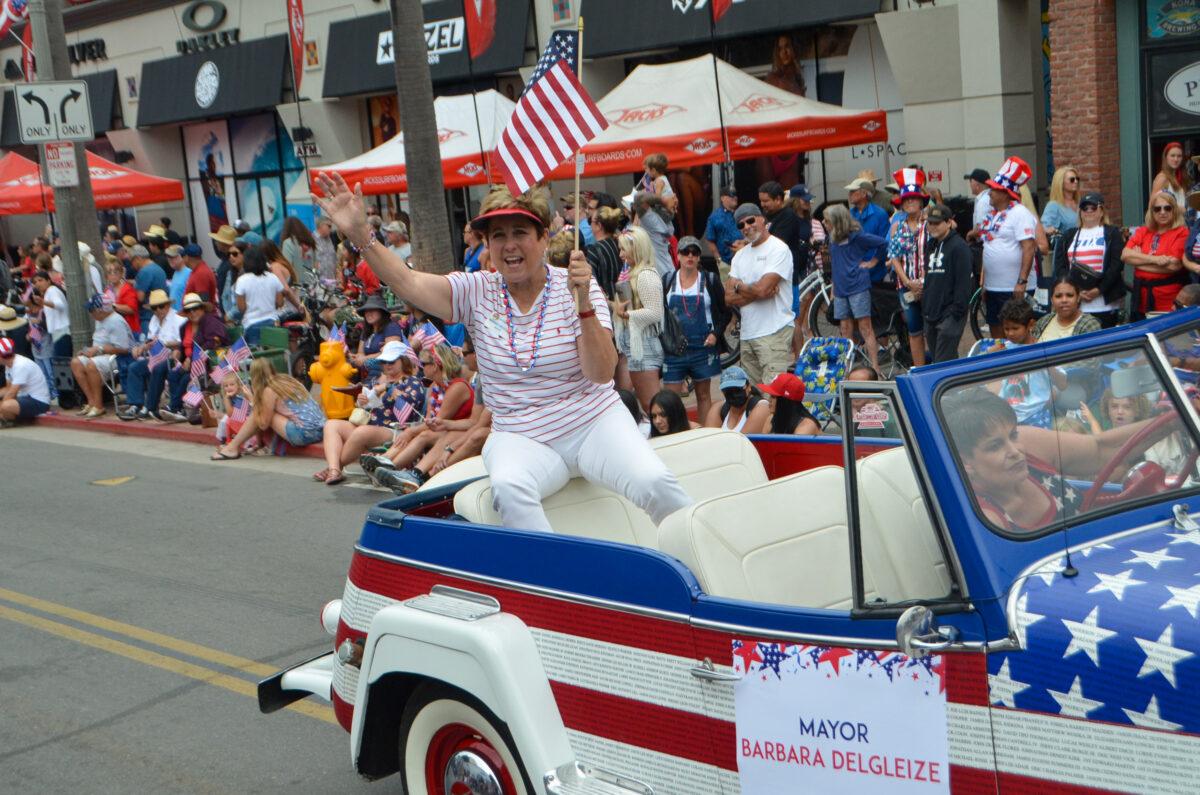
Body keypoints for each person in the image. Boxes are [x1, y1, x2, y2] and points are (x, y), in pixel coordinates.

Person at [314, 171, 692, 533]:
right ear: (489, 246)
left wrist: (584, 306)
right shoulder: (477, 289)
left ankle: (708, 573)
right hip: (519, 435)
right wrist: (362, 234)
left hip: (592, 423)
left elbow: (601, 373)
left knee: (655, 481)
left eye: (520, 232)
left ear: (544, 238)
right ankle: (560, 589)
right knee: (510, 490)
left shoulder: (577, 283)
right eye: (498, 235)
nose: (509, 244)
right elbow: (407, 281)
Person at [944, 387, 1156, 532]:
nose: (1016, 450)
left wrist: (1173, 421)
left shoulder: (1027, 444)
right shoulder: (986, 520)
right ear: (965, 462)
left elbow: (1101, 448)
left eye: (1013, 435)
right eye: (995, 446)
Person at [373, 342, 475, 491]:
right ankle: (385, 465)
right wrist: (413, 431)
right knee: (419, 433)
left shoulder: (457, 387)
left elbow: (438, 420)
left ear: (435, 366)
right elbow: (430, 418)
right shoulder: (435, 386)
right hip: (444, 430)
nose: (421, 367)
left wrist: (412, 431)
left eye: (424, 363)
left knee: (422, 434)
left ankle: (393, 468)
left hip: (455, 432)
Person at [317, 340, 418, 486]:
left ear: (403, 361)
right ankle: (334, 469)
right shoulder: (377, 380)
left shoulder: (411, 381)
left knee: (361, 432)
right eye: (384, 361)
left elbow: (412, 406)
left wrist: (390, 389)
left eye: (392, 361)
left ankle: (334, 468)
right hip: (370, 424)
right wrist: (361, 400)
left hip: (395, 429)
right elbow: (364, 405)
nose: (387, 365)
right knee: (331, 425)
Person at [661, 235, 729, 423]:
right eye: (685, 252)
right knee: (670, 399)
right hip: (674, 350)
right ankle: (675, 435)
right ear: (678, 256)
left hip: (703, 347)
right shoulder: (667, 280)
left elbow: (726, 312)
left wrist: (716, 334)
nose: (690, 256)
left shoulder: (710, 280)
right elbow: (659, 314)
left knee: (704, 395)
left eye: (695, 252)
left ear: (699, 257)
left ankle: (705, 432)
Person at [725, 203, 795, 385]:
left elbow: (763, 289)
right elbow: (728, 297)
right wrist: (757, 291)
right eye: (741, 225)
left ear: (762, 219)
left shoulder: (779, 249)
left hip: (775, 331)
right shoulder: (740, 256)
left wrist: (740, 286)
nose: (746, 227)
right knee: (754, 398)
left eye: (750, 220)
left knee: (773, 395)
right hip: (747, 334)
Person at [969, 156, 1038, 340]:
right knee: (996, 332)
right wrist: (984, 283)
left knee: (1017, 333)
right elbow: (988, 248)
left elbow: (1029, 247)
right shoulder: (992, 216)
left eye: (994, 189)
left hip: (1013, 288)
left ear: (1006, 193)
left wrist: (1021, 282)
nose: (989, 192)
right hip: (993, 287)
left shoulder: (1020, 213)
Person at [212, 358, 326, 460]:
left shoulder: (269, 390)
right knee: (266, 410)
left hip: (304, 433)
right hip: (321, 429)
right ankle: (254, 445)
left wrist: (253, 400)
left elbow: (262, 424)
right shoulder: (287, 379)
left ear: (255, 375)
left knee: (259, 412)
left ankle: (232, 447)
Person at [1054, 191, 1127, 328]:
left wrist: (1098, 290)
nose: (1088, 211)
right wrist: (1075, 292)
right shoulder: (1069, 235)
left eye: (1093, 207)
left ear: (1101, 211)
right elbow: (1061, 268)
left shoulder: (1112, 233)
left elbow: (1116, 265)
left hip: (1105, 303)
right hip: (1077, 304)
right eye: (1084, 208)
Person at [823, 204, 883, 371]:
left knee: (865, 327)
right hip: (841, 288)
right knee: (844, 329)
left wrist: (873, 262)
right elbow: (835, 265)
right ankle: (846, 368)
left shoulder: (857, 237)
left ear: (836, 222)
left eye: (827, 220)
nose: (824, 223)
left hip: (858, 286)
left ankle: (875, 367)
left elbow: (882, 243)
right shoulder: (832, 238)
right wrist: (833, 290)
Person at [613, 226, 665, 411]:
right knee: (648, 406)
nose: (620, 254)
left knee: (653, 407)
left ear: (636, 249)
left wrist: (626, 314)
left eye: (623, 249)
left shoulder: (645, 275)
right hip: (636, 346)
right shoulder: (633, 273)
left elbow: (655, 312)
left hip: (645, 347)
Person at [118, 289, 188, 422]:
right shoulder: (153, 321)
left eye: (161, 306)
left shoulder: (179, 320)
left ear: (168, 305)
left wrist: (167, 344)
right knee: (134, 367)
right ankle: (135, 405)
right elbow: (150, 341)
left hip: (173, 357)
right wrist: (143, 347)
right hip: (156, 357)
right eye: (154, 308)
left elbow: (184, 343)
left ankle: (150, 407)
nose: (158, 310)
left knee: (158, 368)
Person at [886, 167, 931, 367]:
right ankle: (920, 369)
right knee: (914, 328)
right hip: (906, 285)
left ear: (922, 201)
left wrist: (924, 283)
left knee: (932, 327)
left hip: (930, 284)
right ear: (902, 204)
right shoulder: (897, 226)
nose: (910, 202)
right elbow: (894, 257)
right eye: (907, 199)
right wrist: (907, 282)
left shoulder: (931, 223)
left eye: (914, 198)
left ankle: (936, 367)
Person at [1123, 191, 1188, 318]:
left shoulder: (1181, 232)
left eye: (1167, 208)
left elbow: (1174, 266)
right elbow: (1125, 255)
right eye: (1157, 209)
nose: (1162, 212)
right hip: (1140, 299)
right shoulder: (1143, 231)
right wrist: (1156, 260)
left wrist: (1138, 262)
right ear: (1152, 212)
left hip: (1167, 301)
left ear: (1174, 210)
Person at [921, 204, 973, 363]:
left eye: (937, 223)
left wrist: (956, 312)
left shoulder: (959, 247)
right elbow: (930, 277)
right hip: (931, 312)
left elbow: (964, 283)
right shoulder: (930, 244)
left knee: (944, 362)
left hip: (951, 313)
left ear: (949, 222)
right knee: (939, 360)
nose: (933, 226)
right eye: (930, 223)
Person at [69, 293, 133, 419]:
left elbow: (123, 348)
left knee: (92, 364)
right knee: (76, 362)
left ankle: (98, 405)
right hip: (101, 354)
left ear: (100, 310)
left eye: (92, 309)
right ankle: (91, 401)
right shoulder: (100, 319)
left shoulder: (115, 321)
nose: (90, 312)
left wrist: (99, 349)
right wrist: (89, 351)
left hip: (118, 358)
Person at [234, 245, 285, 345]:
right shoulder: (273, 277)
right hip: (272, 323)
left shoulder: (242, 280)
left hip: (251, 325)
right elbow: (280, 302)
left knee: (257, 358)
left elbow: (241, 308)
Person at [846, 177, 889, 286]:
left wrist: (873, 261)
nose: (849, 194)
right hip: (853, 272)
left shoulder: (880, 214)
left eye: (852, 191)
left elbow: (885, 243)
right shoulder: (849, 214)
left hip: (875, 273)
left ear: (864, 194)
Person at [1034, 274, 1102, 341]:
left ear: (1078, 298)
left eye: (1070, 295)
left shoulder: (1090, 325)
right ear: (1051, 300)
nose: (1064, 300)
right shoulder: (1043, 321)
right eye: (1058, 296)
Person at [704, 365, 769, 434]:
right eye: (728, 390)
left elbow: (743, 442)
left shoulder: (762, 407)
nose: (733, 394)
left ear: (748, 387)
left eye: (737, 389)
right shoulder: (718, 409)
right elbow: (709, 439)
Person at [0, 337, 50, 426]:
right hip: (25, 398)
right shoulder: (9, 364)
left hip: (38, 402)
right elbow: (8, 388)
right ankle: (7, 418)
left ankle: (9, 420)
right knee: (5, 404)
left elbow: (11, 393)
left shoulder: (20, 365)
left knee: (5, 406)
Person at [352, 294, 404, 375]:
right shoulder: (366, 329)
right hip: (366, 371)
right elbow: (360, 352)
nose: (368, 314)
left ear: (382, 312)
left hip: (385, 371)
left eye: (372, 310)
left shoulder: (391, 327)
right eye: (366, 311)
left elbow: (392, 353)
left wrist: (365, 359)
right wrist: (358, 357)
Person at [630, 191, 675, 278]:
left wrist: (665, 202)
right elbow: (639, 199)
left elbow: (640, 199)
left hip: (667, 276)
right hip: (659, 277)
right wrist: (664, 201)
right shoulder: (651, 220)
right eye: (673, 202)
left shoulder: (666, 222)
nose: (674, 205)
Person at [585, 206, 624, 300]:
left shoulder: (594, 250)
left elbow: (591, 281)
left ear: (599, 225)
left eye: (591, 221)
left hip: (606, 303)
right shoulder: (620, 244)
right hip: (623, 297)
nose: (590, 225)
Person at [704, 187, 742, 272]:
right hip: (726, 262)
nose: (734, 197)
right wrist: (719, 261)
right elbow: (710, 240)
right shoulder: (714, 217)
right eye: (731, 195)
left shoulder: (742, 214)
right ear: (722, 198)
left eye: (735, 195)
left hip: (744, 259)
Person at [131, 245, 167, 332]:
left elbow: (140, 297)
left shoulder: (144, 272)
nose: (132, 265)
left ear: (138, 258)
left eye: (132, 261)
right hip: (162, 313)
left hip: (148, 316)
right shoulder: (158, 268)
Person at [105, 255, 141, 339]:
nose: (113, 275)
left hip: (129, 330)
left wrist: (113, 306)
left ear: (121, 273)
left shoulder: (127, 288)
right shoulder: (107, 290)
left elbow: (132, 309)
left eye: (116, 272)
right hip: (114, 330)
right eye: (109, 272)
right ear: (106, 276)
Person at [1041, 166, 1081, 239]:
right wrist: (1054, 231)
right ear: (1061, 182)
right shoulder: (1053, 205)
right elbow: (1044, 228)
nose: (1076, 181)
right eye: (1072, 179)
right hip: (1066, 247)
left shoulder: (1080, 203)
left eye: (1077, 179)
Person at [1151, 142, 1191, 210]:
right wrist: (1180, 209)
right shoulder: (1162, 178)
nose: (1176, 159)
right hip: (1170, 220)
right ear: (1166, 157)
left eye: (1179, 156)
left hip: (1183, 220)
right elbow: (1153, 206)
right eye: (1172, 155)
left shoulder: (1182, 177)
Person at [281, 216, 318, 286]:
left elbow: (287, 267)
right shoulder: (311, 241)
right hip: (311, 285)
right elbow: (316, 265)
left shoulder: (288, 243)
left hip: (297, 287)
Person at [183, 244, 218, 310]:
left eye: (183, 257)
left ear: (187, 257)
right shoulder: (198, 270)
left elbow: (204, 303)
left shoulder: (200, 273)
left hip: (202, 317)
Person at [164, 244, 191, 311]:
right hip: (175, 315)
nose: (169, 259)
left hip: (185, 315)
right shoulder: (175, 273)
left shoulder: (189, 273)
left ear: (181, 257)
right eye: (168, 257)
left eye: (173, 257)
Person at [314, 217, 339, 282]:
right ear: (321, 225)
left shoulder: (330, 239)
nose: (331, 229)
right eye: (329, 226)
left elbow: (334, 258)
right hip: (319, 281)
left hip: (331, 280)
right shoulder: (312, 240)